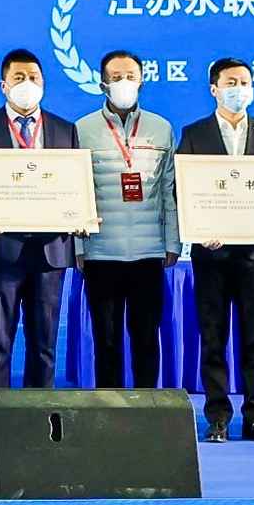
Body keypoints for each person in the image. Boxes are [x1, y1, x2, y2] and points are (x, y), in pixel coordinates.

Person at [0, 49, 84, 390]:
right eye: (19, 78)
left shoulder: (65, 130)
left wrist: (80, 213)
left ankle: (39, 412)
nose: (27, 84)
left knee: (44, 343)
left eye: (34, 78)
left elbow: (75, 184)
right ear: (4, 85)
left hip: (50, 252)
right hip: (0, 249)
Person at [178, 57, 254, 442]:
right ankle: (218, 416)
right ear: (214, 89)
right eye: (231, 82)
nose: (239, 89)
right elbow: (183, 190)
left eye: (245, 82)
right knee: (214, 337)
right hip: (213, 254)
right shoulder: (194, 134)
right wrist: (199, 228)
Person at [75, 49, 178, 391]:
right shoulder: (83, 129)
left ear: (142, 81)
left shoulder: (161, 128)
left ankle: (147, 406)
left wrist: (172, 242)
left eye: (131, 77)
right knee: (106, 340)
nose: (124, 83)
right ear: (102, 84)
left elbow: (168, 190)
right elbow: (76, 193)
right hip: (101, 252)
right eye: (116, 77)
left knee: (147, 337)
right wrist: (79, 247)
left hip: (149, 252)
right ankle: (110, 407)